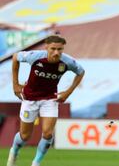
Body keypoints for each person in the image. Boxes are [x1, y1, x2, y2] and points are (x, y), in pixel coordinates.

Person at [7, 35, 85, 166]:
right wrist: (15, 84)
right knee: (25, 136)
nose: (56, 52)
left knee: (48, 133)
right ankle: (14, 150)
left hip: (49, 99)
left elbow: (81, 72)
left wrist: (68, 92)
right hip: (30, 98)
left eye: (60, 49)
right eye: (53, 49)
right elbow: (15, 57)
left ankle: (36, 163)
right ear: (46, 47)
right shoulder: (35, 56)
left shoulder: (67, 62)